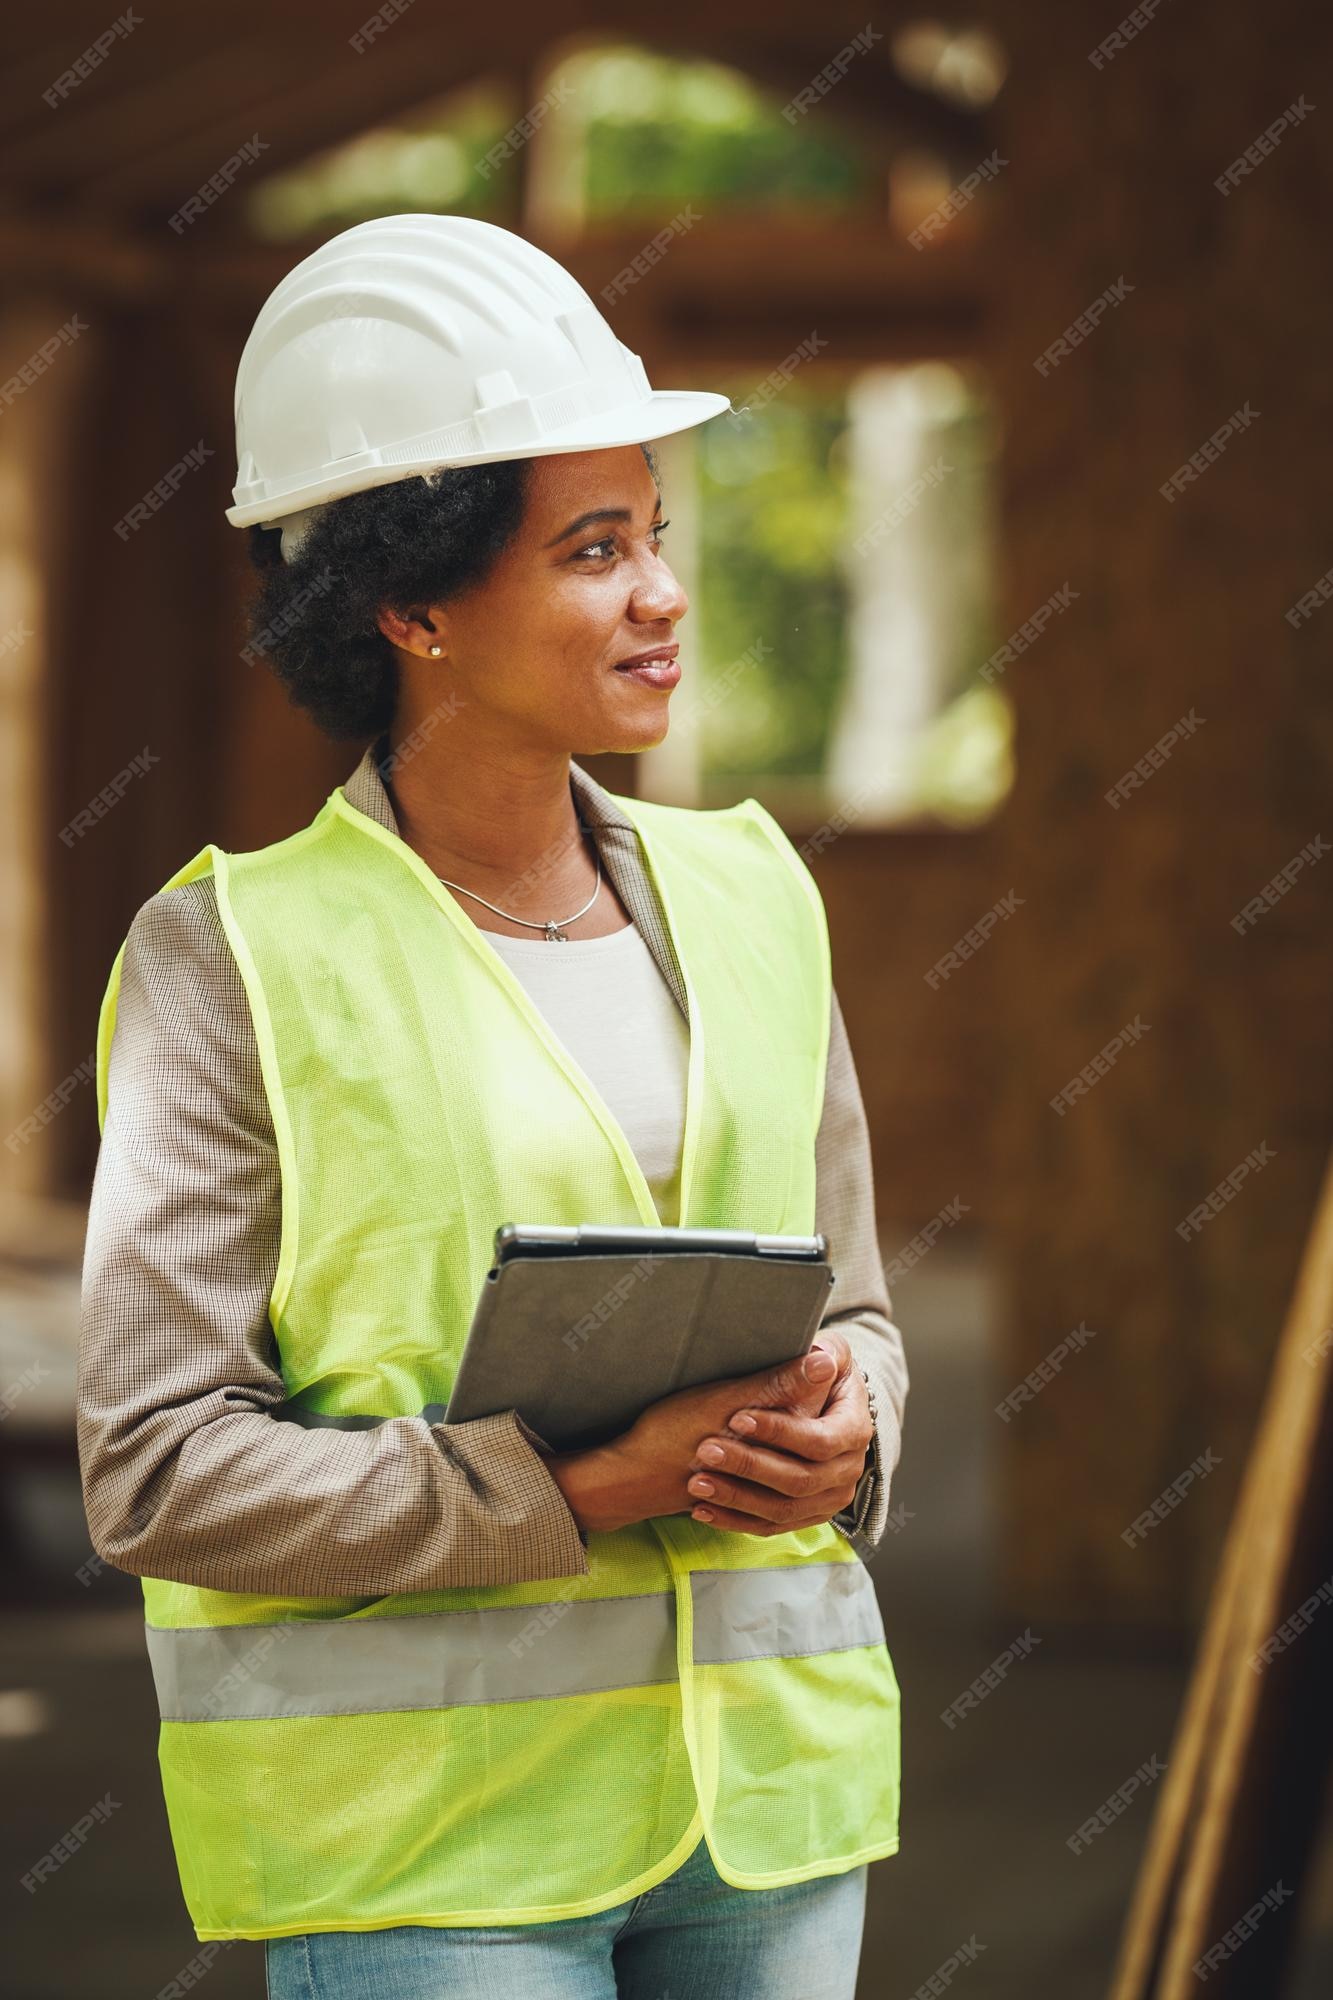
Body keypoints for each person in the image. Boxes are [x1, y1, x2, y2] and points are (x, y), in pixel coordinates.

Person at [76, 213, 908, 2000]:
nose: (661, 593)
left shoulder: (759, 897)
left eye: (656, 536)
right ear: (413, 603)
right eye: (593, 550)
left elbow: (852, 1304)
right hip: (429, 1856)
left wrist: (856, 1438)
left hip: (771, 1810)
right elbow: (154, 1464)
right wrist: (569, 1490)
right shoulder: (229, 956)